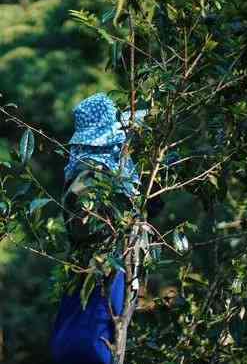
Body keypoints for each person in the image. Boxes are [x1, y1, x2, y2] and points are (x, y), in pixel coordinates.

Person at [50, 92, 163, 364]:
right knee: (93, 343)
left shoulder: (108, 174)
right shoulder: (89, 177)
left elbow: (149, 205)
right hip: (101, 274)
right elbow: (88, 225)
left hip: (108, 274)